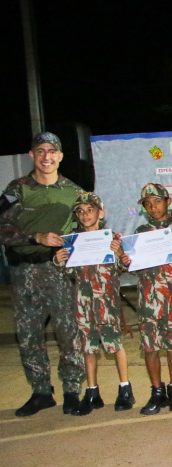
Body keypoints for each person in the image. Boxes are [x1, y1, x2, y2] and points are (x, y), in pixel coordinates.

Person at [1, 132, 84, 417]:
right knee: (28, 335)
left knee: (69, 333)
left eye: (52, 151)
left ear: (60, 156)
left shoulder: (74, 192)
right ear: (31, 155)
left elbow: (86, 230)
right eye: (40, 151)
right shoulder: (17, 189)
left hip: (59, 271)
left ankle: (72, 390)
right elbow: (3, 229)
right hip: (24, 273)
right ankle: (41, 392)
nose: (47, 157)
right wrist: (35, 236)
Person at [54, 192, 134, 416]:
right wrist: (59, 261)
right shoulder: (73, 241)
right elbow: (69, 271)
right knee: (88, 347)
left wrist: (121, 255)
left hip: (106, 301)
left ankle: (125, 388)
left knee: (114, 344)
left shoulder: (112, 238)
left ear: (101, 212)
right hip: (84, 302)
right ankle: (92, 391)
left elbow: (122, 267)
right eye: (80, 211)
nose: (85, 215)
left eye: (90, 210)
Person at [120, 183, 172, 415]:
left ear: (167, 201)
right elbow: (132, 266)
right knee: (150, 345)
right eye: (148, 204)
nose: (153, 207)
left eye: (157, 202)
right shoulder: (140, 233)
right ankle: (156, 391)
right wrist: (126, 260)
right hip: (149, 296)